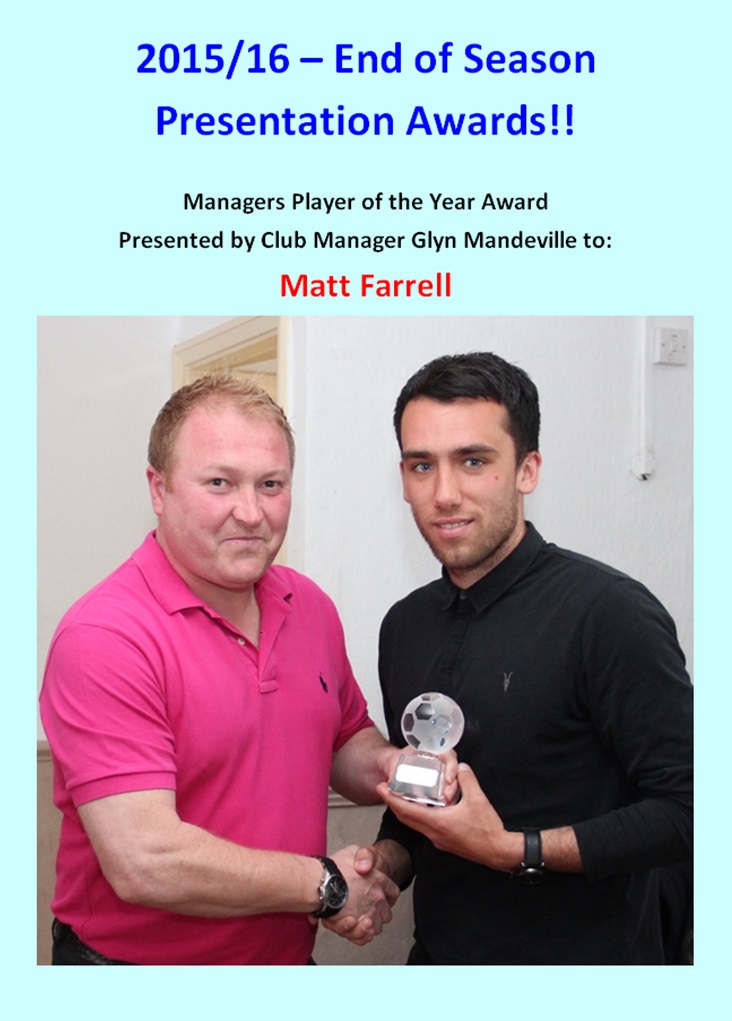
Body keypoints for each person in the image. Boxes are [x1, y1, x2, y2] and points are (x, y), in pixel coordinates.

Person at [327, 351, 693, 964]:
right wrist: (381, 864)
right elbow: (423, 801)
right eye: (423, 466)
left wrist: (513, 850)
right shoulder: (405, 626)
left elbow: (690, 810)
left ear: (527, 470)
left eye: (473, 461)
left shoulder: (608, 613)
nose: (444, 494)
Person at [40, 373, 404, 965]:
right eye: (219, 483)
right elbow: (146, 861)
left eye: (271, 484)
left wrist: (393, 768)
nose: (251, 512)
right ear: (158, 489)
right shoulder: (106, 636)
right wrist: (325, 886)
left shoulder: (309, 605)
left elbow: (342, 740)